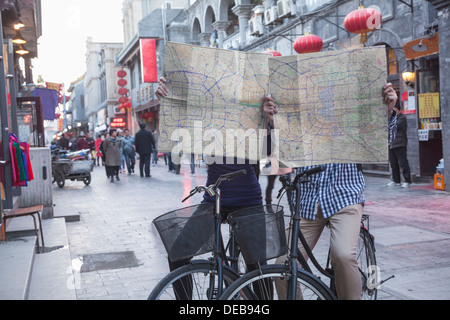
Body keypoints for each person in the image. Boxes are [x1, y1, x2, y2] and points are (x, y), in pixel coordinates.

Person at [261, 83, 398, 300]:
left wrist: (387, 110)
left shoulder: (351, 111)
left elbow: (382, 143)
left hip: (344, 196)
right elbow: (271, 162)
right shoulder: (298, 114)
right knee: (282, 265)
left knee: (342, 255)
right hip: (306, 201)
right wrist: (272, 123)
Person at [156, 77, 268, 299]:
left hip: (249, 201)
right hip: (214, 200)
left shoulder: (249, 115)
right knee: (177, 255)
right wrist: (165, 104)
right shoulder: (203, 118)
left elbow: (269, 151)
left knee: (259, 268)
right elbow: (173, 139)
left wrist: (269, 120)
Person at [388, 103, 412, 188]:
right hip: (391, 144)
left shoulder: (402, 118)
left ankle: (407, 180)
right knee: (393, 163)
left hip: (400, 143)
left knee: (403, 162)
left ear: (398, 110)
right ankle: (396, 180)